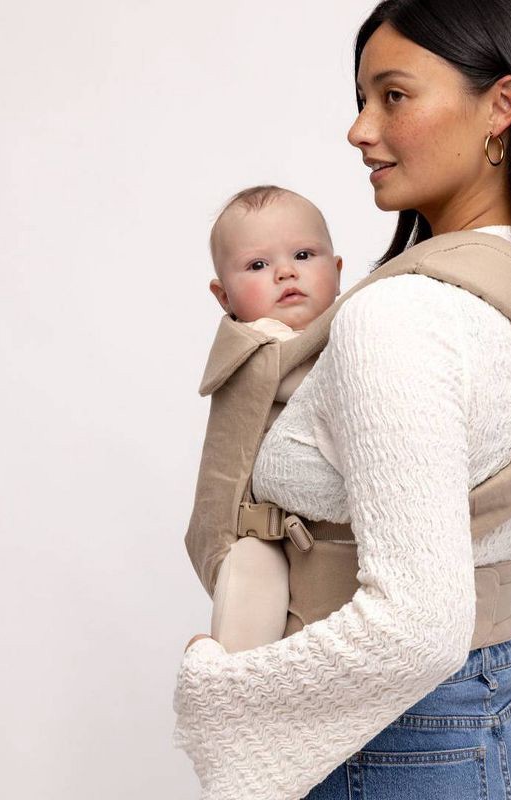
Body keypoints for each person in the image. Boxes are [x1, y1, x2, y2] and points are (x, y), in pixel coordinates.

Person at [173, 2, 511, 798]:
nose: (359, 129)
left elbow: (420, 625)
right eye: (360, 99)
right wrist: (483, 709)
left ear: (501, 106)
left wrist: (221, 700)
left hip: (379, 745)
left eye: (393, 96)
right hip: (492, 729)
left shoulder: (399, 316)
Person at [203, 185, 343, 653]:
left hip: (322, 541)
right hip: (253, 536)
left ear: (338, 272)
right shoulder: (257, 344)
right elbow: (318, 389)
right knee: (249, 634)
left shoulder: (349, 329)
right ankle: (227, 684)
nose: (286, 272)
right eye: (258, 265)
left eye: (303, 255)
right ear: (224, 296)